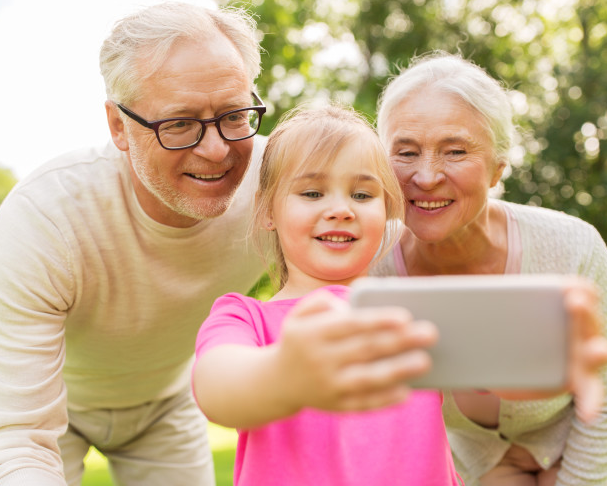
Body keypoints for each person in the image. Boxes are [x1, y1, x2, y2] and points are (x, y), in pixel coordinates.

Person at [0, 2, 270, 485]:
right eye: (179, 124)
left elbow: (390, 245)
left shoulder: (279, 188)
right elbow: (15, 439)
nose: (216, 150)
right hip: (52, 404)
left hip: (165, 403)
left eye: (234, 114)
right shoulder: (44, 221)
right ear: (118, 127)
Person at [373, 52, 607, 486]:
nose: (425, 176)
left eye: (455, 151)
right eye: (406, 152)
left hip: (593, 433)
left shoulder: (573, 246)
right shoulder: (368, 268)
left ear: (499, 167)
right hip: (478, 454)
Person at [192, 103, 461, 486]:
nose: (340, 209)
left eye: (363, 195)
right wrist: (286, 372)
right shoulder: (244, 317)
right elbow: (216, 388)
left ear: (387, 209)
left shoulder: (415, 313)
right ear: (268, 209)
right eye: (313, 192)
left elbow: (501, 389)